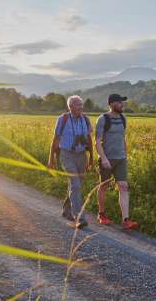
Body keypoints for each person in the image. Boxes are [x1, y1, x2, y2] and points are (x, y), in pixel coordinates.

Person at [48, 95, 93, 229]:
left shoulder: (85, 119)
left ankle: (67, 209)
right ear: (71, 106)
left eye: (81, 104)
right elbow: (55, 140)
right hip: (66, 155)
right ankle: (79, 217)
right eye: (78, 104)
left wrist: (91, 157)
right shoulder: (63, 119)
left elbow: (89, 138)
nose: (81, 107)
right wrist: (51, 159)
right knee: (76, 184)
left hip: (81, 155)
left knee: (77, 184)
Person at [95, 94, 139, 230]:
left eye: (122, 102)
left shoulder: (123, 118)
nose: (122, 105)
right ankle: (101, 214)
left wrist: (125, 155)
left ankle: (126, 219)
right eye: (120, 103)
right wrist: (103, 158)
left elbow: (123, 138)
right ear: (112, 104)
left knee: (123, 186)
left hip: (120, 159)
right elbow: (97, 141)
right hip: (107, 159)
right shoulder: (103, 119)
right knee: (104, 186)